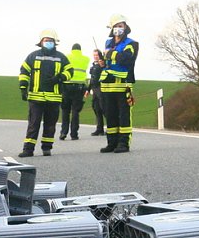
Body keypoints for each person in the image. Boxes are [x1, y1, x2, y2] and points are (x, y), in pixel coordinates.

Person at [17, 29, 73, 157]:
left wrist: (59, 78)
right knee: (33, 124)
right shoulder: (33, 56)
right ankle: (28, 149)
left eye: (51, 41)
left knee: (50, 125)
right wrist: (23, 87)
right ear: (41, 42)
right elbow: (24, 72)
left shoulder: (61, 57)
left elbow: (70, 71)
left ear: (55, 42)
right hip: (36, 97)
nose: (48, 42)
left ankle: (47, 148)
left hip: (53, 98)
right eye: (46, 40)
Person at [98, 14, 139, 154]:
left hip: (123, 85)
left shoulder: (132, 43)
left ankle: (123, 143)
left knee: (124, 115)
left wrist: (111, 55)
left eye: (120, 26)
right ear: (111, 28)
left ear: (126, 27)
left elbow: (127, 59)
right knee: (110, 115)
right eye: (115, 26)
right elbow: (107, 62)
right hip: (107, 85)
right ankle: (111, 143)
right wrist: (102, 62)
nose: (118, 29)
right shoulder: (108, 43)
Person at [59, 44, 90, 140]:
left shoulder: (66, 57)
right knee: (75, 111)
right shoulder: (86, 59)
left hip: (66, 86)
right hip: (79, 87)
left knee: (65, 111)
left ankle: (63, 132)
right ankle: (74, 134)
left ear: (72, 49)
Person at [86, 49, 105, 136]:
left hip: (101, 89)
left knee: (104, 109)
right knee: (96, 109)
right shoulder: (93, 66)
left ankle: (111, 129)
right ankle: (99, 129)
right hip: (94, 89)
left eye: (97, 55)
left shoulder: (102, 65)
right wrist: (87, 89)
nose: (95, 57)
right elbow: (92, 79)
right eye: (94, 55)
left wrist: (103, 66)